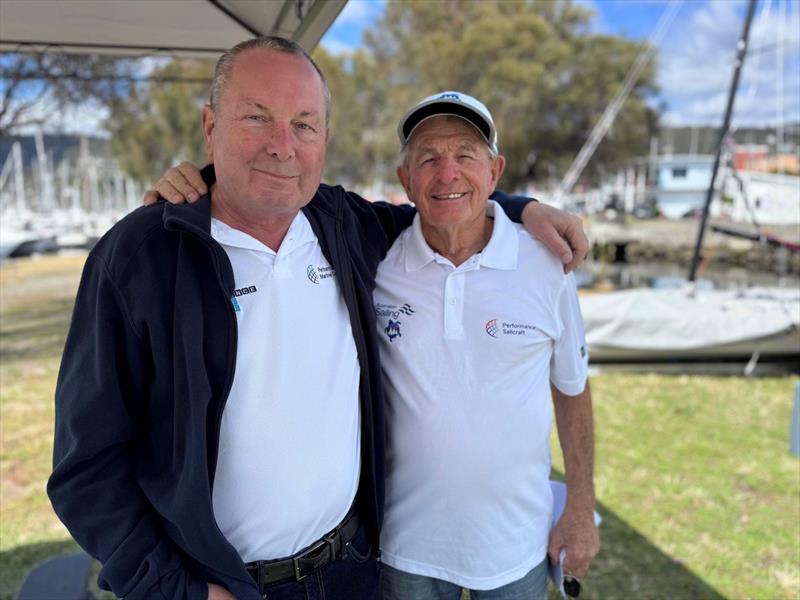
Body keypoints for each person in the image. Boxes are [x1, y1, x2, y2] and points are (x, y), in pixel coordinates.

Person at [48, 37, 589, 600]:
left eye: (304, 124)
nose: (283, 147)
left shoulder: (344, 225)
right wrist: (177, 591)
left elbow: (451, 203)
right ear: (210, 126)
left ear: (325, 138)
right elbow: (86, 472)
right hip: (222, 588)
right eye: (257, 117)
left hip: (352, 568)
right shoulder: (142, 256)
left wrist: (526, 209)